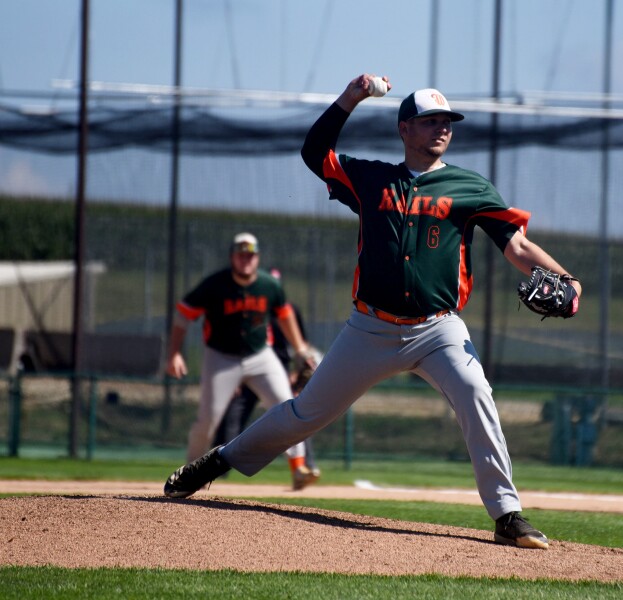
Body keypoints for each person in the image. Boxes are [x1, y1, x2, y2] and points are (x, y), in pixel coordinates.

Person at [164, 75, 582, 550]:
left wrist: (568, 278)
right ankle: (219, 461)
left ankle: (508, 515)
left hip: (438, 329)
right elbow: (314, 154)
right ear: (405, 129)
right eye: (429, 121)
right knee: (305, 413)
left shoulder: (469, 186)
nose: (441, 129)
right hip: (370, 329)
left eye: (446, 122)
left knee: (475, 394)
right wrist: (350, 98)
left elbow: (517, 245)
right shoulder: (370, 178)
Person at [165, 232, 319, 491]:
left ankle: (299, 469)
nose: (246, 260)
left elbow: (285, 315)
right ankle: (191, 472)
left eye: (251, 255)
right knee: (207, 420)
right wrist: (174, 353)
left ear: (257, 258)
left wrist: (301, 349)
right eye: (241, 255)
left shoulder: (269, 285)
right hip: (221, 358)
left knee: (288, 408)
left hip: (260, 355)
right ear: (232, 257)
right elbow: (183, 315)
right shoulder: (215, 285)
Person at [214, 281, 322, 481]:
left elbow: (301, 344)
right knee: (232, 417)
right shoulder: (250, 310)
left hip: (279, 374)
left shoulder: (289, 311)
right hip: (246, 372)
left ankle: (304, 466)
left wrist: (296, 376)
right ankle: (216, 470)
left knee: (294, 415)